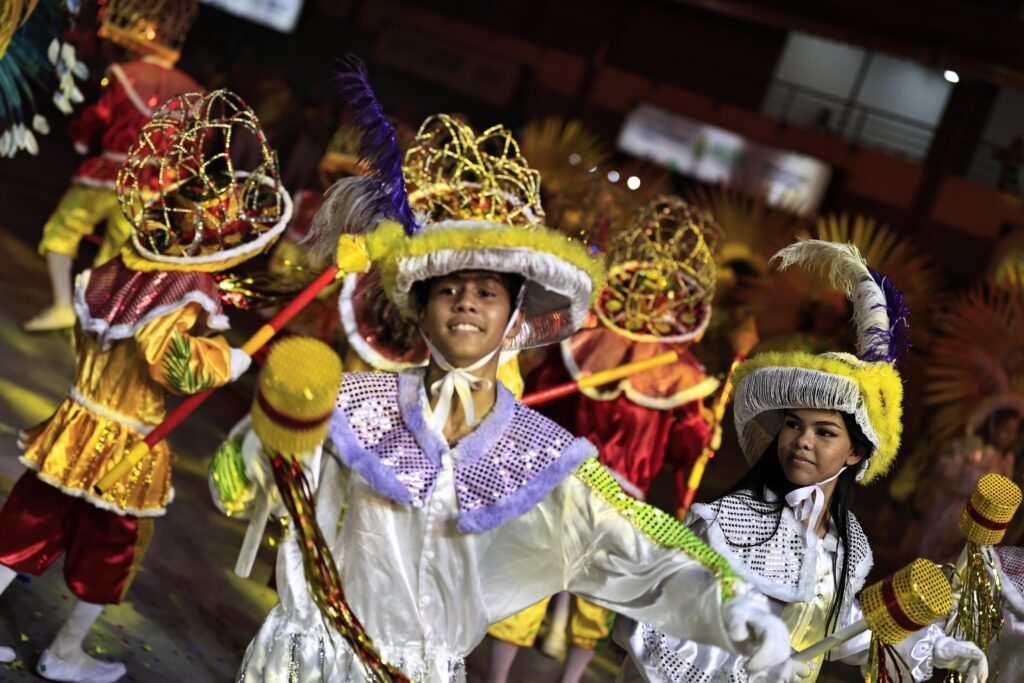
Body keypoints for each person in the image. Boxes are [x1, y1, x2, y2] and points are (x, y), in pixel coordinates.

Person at [212, 63, 796, 683]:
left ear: (515, 315)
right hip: (312, 665)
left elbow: (631, 550)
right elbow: (240, 485)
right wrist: (274, 427)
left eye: (487, 291)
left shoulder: (537, 454)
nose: (466, 302)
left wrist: (731, 610)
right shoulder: (354, 405)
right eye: (450, 289)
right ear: (422, 310)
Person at [0, 90, 290, 682]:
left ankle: (66, 650)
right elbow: (171, 363)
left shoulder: (116, 272)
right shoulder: (182, 290)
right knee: (114, 547)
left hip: (75, 425)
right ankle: (65, 653)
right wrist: (227, 360)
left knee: (25, 524)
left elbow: (93, 340)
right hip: (128, 440)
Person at [618, 240, 989, 683]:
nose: (801, 441)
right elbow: (664, 621)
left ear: (855, 453)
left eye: (825, 432)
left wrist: (937, 647)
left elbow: (842, 631)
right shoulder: (727, 521)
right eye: (793, 424)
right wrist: (753, 653)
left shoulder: (845, 547)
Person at [485, 195, 721, 683]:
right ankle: (498, 676)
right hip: (567, 483)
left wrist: (702, 431)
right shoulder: (590, 346)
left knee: (593, 596)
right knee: (535, 577)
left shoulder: (673, 374)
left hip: (615, 501)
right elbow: (544, 406)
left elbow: (685, 445)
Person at [24, 0, 201, 331]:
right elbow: (193, 147)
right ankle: (94, 316)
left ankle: (65, 304)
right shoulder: (194, 92)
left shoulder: (123, 75)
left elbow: (98, 117)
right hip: (153, 186)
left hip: (108, 175)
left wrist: (79, 138)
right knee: (120, 252)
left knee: (63, 230)